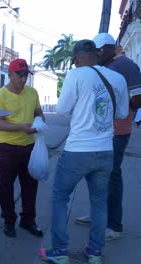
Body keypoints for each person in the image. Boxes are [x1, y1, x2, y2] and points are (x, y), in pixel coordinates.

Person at [38, 40, 129, 264]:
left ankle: (59, 251)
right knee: (99, 202)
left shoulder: (76, 75)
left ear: (78, 57)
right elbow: (122, 113)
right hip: (105, 150)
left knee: (60, 198)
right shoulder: (117, 78)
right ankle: (95, 253)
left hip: (78, 150)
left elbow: (61, 110)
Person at [75, 33, 141, 241]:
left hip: (117, 132)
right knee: (98, 175)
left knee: (112, 177)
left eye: (98, 51)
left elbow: (138, 99)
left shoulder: (125, 65)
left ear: (106, 49)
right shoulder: (110, 67)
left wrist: (120, 109)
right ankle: (98, 216)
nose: (97, 54)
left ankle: (114, 225)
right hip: (103, 132)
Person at [0, 58, 45, 238]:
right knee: (6, 187)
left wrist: (40, 122)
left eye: (25, 75)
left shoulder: (32, 92)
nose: (23, 79)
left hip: (29, 147)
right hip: (8, 148)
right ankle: (9, 220)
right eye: (19, 75)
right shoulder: (0, 96)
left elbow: (38, 112)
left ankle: (28, 221)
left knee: (30, 185)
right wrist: (21, 127)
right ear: (10, 74)